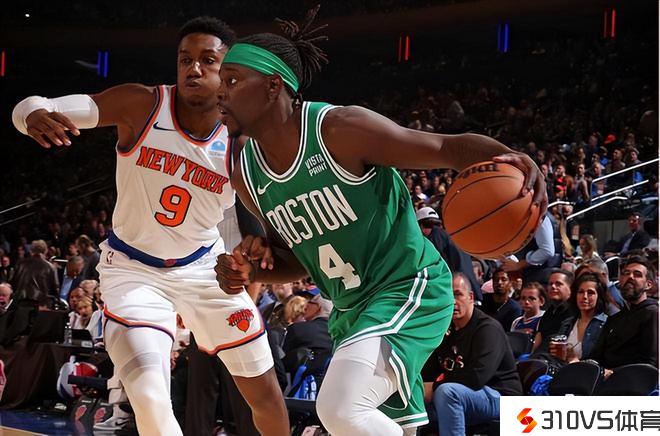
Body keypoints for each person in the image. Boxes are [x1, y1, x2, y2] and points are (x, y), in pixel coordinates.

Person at [215, 8, 546, 435]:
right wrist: (251, 269)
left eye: (232, 80)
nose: (219, 92)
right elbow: (297, 258)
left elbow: (445, 148)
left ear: (273, 86)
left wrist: (511, 158)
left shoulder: (339, 130)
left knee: (339, 408)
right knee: (369, 424)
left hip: (408, 287)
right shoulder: (246, 174)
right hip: (351, 312)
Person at [11, 16, 287, 436]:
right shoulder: (141, 104)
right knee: (150, 396)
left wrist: (255, 256)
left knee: (265, 394)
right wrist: (30, 115)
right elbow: (35, 104)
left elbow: (264, 223)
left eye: (208, 60)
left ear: (228, 72)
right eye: (185, 59)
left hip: (204, 268)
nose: (194, 69)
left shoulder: (242, 141)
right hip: (133, 270)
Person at [421, 273, 522, 435]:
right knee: (413, 394)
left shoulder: (488, 328)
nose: (453, 301)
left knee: (447, 392)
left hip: (501, 397)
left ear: (470, 297)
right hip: (467, 394)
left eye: (458, 294)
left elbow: (477, 377)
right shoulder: (447, 330)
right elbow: (429, 370)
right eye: (448, 296)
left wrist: (433, 387)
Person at [589, 255, 658, 370]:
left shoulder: (652, 313)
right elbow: (596, 355)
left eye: (637, 274)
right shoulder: (615, 317)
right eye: (626, 273)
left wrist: (611, 372)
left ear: (648, 285)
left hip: (630, 378)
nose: (630, 277)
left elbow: (650, 362)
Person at [415, 207, 482, 302]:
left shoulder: (435, 237)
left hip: (456, 295)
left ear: (421, 226)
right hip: (469, 293)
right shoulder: (451, 236)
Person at [548, 273, 608, 363]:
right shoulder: (567, 323)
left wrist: (576, 361)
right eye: (581, 292)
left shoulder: (606, 324)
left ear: (599, 296)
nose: (584, 297)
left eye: (590, 293)